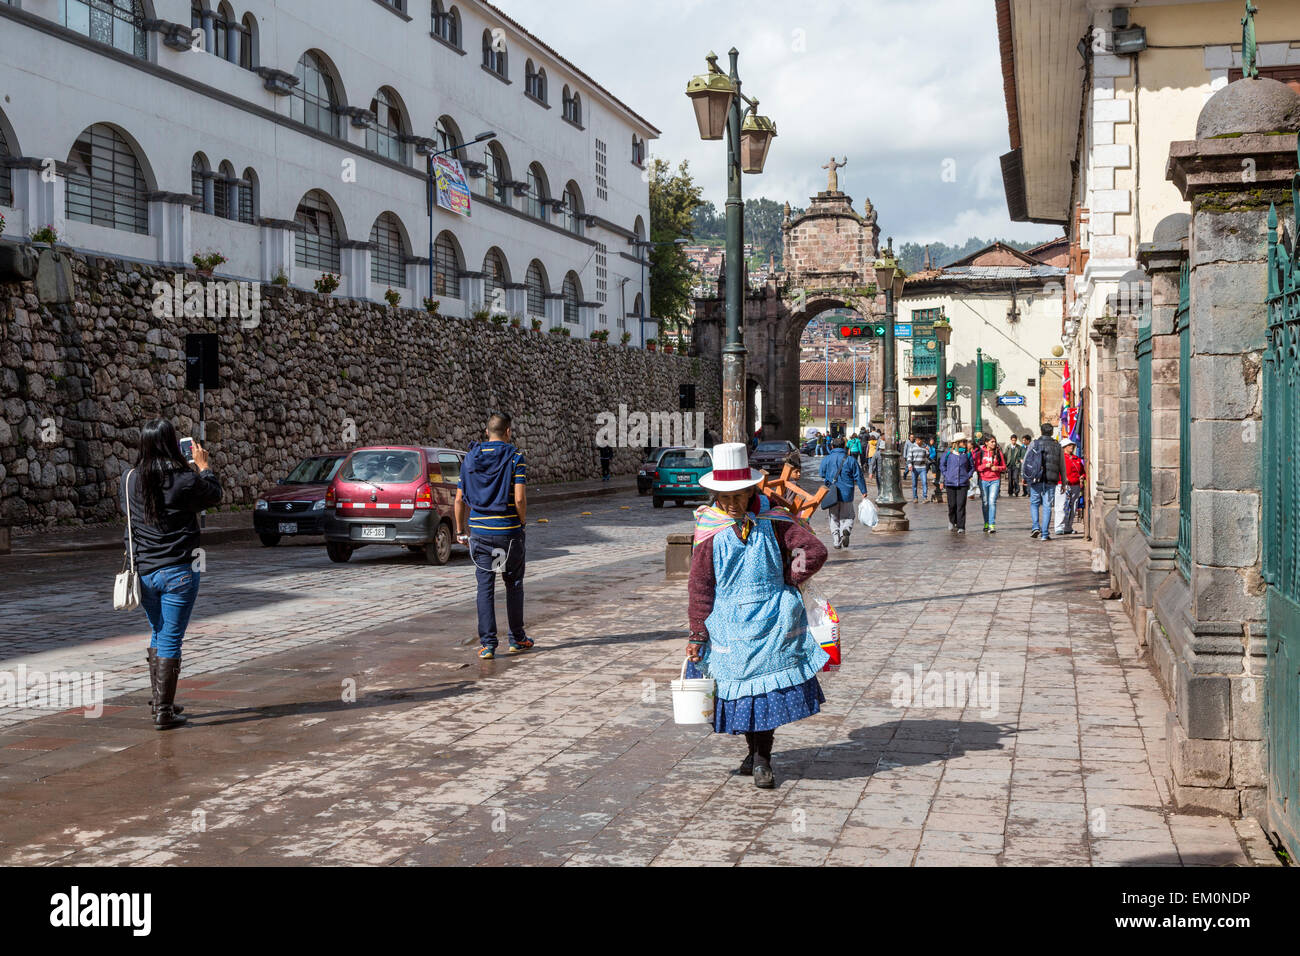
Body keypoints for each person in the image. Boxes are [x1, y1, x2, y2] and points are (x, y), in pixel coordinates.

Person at [685, 443, 830, 789]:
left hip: (772, 618)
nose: (732, 504)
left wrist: (788, 577)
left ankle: (763, 759)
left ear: (752, 489)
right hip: (729, 624)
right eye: (725, 497)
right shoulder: (709, 527)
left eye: (738, 496)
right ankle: (753, 753)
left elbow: (814, 550)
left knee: (764, 694)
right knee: (741, 694)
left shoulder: (774, 518)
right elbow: (700, 584)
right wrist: (696, 633)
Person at [121, 418, 222, 730]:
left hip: (145, 572)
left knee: (158, 631)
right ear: (171, 443)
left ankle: (160, 699)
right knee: (171, 638)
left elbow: (131, 526)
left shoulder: (129, 479)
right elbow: (214, 495)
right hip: (178, 570)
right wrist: (203, 466)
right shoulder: (183, 478)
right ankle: (164, 711)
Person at [454, 411, 532, 660]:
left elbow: (458, 500)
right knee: (513, 583)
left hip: (481, 534)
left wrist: (459, 530)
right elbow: (519, 498)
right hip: (507, 534)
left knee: (485, 586)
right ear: (508, 432)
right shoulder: (515, 458)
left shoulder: (470, 459)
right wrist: (521, 523)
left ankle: (488, 645)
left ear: (487, 432)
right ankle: (517, 638)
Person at [820, 435, 869, 549]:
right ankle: (846, 529)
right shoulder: (851, 460)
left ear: (832, 446)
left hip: (832, 493)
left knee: (833, 517)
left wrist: (829, 478)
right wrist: (863, 491)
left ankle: (836, 541)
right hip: (847, 493)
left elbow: (821, 473)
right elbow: (859, 476)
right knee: (848, 516)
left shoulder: (827, 459)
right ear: (845, 447)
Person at [1023, 422, 1065, 541]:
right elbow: (1062, 465)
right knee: (1047, 506)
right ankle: (1045, 534)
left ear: (1041, 431)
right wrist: (1064, 481)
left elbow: (1027, 460)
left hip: (1036, 478)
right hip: (1051, 479)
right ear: (1052, 432)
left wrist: (1025, 476)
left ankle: (1036, 526)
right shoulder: (1057, 446)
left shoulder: (1034, 443)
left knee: (1034, 503)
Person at [939, 433, 975, 533]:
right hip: (950, 483)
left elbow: (972, 467)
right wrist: (946, 475)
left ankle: (961, 526)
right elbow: (942, 465)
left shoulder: (967, 454)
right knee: (952, 505)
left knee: (961, 505)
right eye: (963, 441)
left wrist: (968, 475)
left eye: (965, 441)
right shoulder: (949, 453)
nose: (965, 443)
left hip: (963, 483)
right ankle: (952, 521)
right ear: (957, 443)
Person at [973, 434, 1007, 533]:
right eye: (992, 442)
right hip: (983, 480)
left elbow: (1004, 467)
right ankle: (986, 523)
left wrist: (997, 468)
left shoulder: (998, 452)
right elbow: (977, 468)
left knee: (992, 502)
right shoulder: (980, 453)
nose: (994, 443)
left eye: (994, 441)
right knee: (985, 502)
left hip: (995, 480)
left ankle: (992, 524)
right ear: (986, 443)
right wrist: (985, 466)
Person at [1060, 439, 1086, 535]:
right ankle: (1062, 526)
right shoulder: (1061, 459)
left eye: (1072, 445)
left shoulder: (1077, 459)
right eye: (1069, 445)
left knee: (1073, 506)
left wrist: (1083, 477)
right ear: (1064, 448)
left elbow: (1083, 471)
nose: (1071, 447)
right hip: (1066, 486)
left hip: (1076, 485)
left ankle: (1069, 527)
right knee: (1065, 506)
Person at [904, 434, 929, 503]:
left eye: (921, 440)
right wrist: (909, 465)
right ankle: (915, 497)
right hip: (914, 468)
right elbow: (909, 457)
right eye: (919, 440)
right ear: (917, 440)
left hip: (923, 467)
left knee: (924, 482)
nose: (920, 441)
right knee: (914, 483)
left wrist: (927, 451)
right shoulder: (912, 447)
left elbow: (927, 456)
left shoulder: (924, 446)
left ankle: (925, 497)